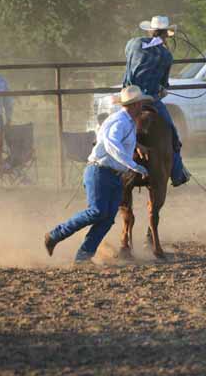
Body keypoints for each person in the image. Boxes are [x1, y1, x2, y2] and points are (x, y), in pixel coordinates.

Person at [44, 85, 150, 264]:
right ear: (133, 105)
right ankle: (55, 235)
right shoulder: (121, 122)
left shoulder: (127, 122)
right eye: (140, 104)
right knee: (97, 212)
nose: (142, 107)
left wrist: (136, 149)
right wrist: (133, 165)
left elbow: (115, 143)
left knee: (107, 218)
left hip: (113, 174)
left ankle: (82, 258)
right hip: (100, 171)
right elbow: (111, 144)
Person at [122, 15, 188, 187]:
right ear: (166, 34)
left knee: (110, 126)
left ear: (150, 30)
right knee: (172, 135)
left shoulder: (133, 43)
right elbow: (163, 84)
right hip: (150, 100)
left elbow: (128, 62)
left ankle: (100, 163)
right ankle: (178, 173)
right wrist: (162, 90)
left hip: (128, 98)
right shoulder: (166, 55)